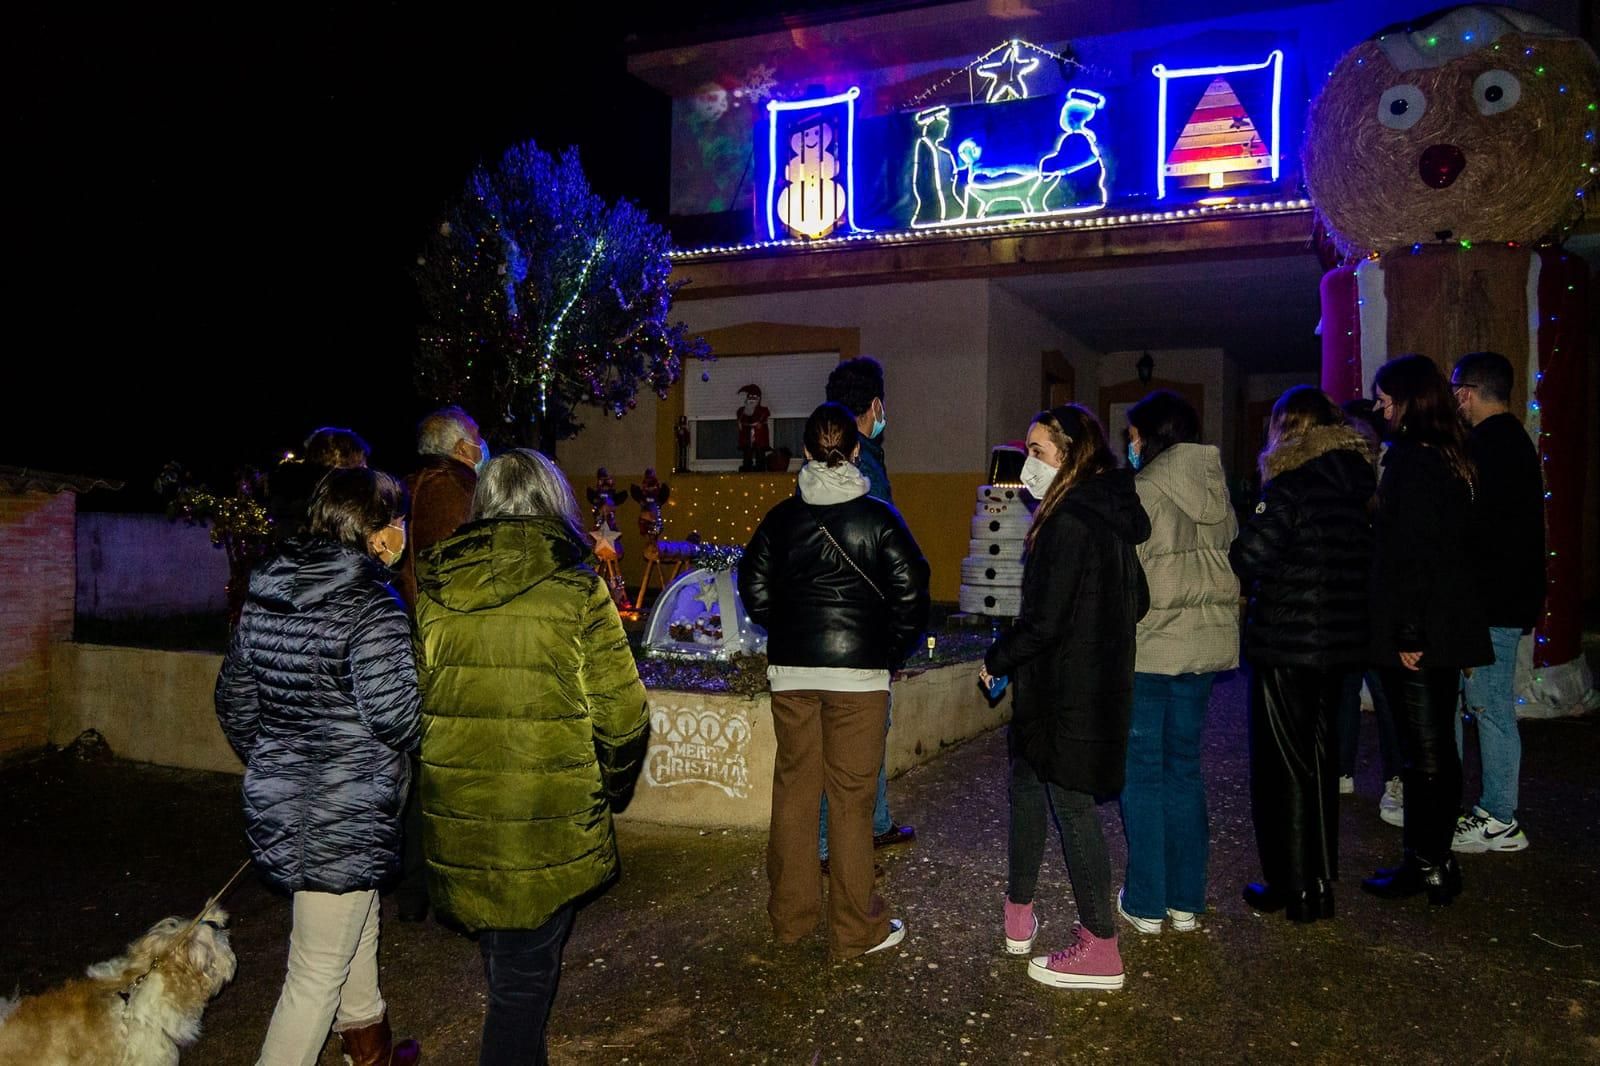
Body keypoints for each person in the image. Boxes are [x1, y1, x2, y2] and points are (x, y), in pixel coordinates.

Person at [413, 449, 648, 1065]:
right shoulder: (577, 589)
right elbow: (624, 719)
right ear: (554, 502)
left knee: (508, 970)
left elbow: (413, 705)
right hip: (547, 824)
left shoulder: (433, 589)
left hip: (461, 819)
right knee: (520, 991)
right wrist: (610, 788)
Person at [215, 468, 422, 1066]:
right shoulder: (370, 604)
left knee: (351, 920)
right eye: (398, 519)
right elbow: (397, 719)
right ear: (375, 533)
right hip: (344, 807)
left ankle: (369, 1047)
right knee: (312, 978)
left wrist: (279, 761)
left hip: (290, 800)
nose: (405, 532)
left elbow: (234, 699)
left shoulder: (267, 591)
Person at [739, 403, 930, 960]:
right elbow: (913, 591)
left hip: (794, 677)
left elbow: (753, 586)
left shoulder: (781, 518)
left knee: (796, 793)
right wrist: (887, 651)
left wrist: (789, 628)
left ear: (803, 453)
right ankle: (854, 930)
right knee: (851, 800)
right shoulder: (880, 517)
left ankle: (791, 919)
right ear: (854, 451)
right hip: (859, 681)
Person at [981, 404, 1149, 990]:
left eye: (1038, 451)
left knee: (1071, 805)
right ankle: (1019, 911)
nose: (1027, 464)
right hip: (1074, 681)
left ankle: (1101, 944)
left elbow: (1046, 620)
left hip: (1070, 689)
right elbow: (1139, 600)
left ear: (1071, 452)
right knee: (1027, 780)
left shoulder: (1071, 519)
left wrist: (996, 659)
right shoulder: (1100, 510)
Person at [1232, 387, 1376, 922]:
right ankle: (1317, 881)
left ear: (1288, 428)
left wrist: (1257, 514)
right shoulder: (1352, 485)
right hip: (1336, 646)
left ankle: (1289, 884)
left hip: (1288, 643)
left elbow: (1249, 555)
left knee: (1282, 768)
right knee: (1317, 763)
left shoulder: (1291, 486)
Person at [1361, 355, 1491, 904]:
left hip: (1420, 628)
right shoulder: (1452, 456)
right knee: (1436, 747)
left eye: (1386, 400)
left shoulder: (1415, 461)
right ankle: (1433, 859)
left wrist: (1409, 633)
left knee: (1424, 753)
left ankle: (1429, 863)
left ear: (1410, 400)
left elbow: (1413, 554)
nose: (1378, 409)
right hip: (1444, 623)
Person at [1117, 391, 1237, 936]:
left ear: (1153, 435)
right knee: (1184, 770)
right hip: (1203, 649)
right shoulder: (1218, 490)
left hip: (1151, 650)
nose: (1129, 444)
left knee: (1141, 774)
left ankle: (1145, 901)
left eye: (1134, 434)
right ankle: (1186, 900)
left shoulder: (1142, 491)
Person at [818, 355, 913, 875]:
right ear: (874, 404)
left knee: (871, 728)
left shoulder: (832, 456)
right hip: (857, 624)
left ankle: (873, 825)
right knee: (854, 737)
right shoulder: (863, 465)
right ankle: (836, 846)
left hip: (836, 621)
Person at [392, 405, 486, 923]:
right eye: (475, 438)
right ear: (456, 446)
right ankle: (449, 891)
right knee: (452, 778)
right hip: (449, 649)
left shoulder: (404, 487)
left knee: (423, 773)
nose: (481, 445)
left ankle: (414, 888)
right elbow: (468, 572)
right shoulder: (459, 489)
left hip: (410, 642)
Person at [1450, 351, 1544, 854]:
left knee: (1489, 707)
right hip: (1507, 598)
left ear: (1465, 392)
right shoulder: (1515, 442)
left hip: (1494, 603)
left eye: (1455, 393)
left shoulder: (1488, 446)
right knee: (1489, 704)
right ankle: (1496, 812)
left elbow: (1480, 534)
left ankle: (1500, 818)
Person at [1338, 399, 1405, 826]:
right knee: (1348, 690)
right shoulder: (1342, 478)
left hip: (1379, 603)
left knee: (1384, 696)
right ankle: (1344, 770)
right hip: (1352, 601)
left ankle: (1396, 779)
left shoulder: (1393, 472)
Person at [264, 426, 371, 542]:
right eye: (360, 460)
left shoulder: (296, 490)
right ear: (339, 457)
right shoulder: (330, 497)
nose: (365, 467)